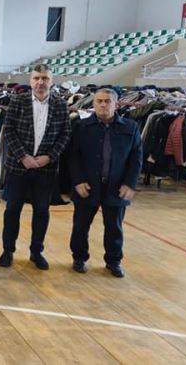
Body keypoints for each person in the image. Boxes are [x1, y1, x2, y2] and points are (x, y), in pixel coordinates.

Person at [0, 64, 70, 270]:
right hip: (18, 167)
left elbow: (65, 134)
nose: (40, 82)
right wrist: (23, 156)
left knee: (41, 211)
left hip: (46, 169)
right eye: (37, 78)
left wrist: (50, 156)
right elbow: (9, 130)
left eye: (44, 78)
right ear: (30, 81)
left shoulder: (61, 104)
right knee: (12, 210)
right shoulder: (17, 101)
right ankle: (8, 250)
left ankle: (36, 251)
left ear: (51, 81)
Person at [69, 88, 142, 278]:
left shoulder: (131, 127)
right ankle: (79, 258)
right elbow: (73, 157)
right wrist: (78, 181)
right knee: (80, 226)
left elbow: (136, 158)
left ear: (116, 104)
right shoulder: (81, 126)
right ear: (93, 104)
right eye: (99, 101)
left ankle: (113, 261)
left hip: (116, 187)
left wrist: (130, 183)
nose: (103, 104)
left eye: (107, 101)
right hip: (87, 185)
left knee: (114, 228)